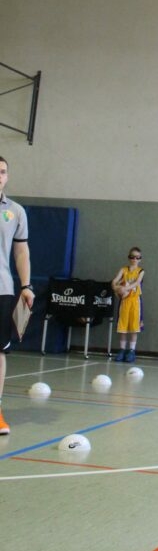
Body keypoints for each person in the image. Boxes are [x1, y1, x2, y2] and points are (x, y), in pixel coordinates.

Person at [0, 156, 34, 435]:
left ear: (7, 176)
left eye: (2, 172)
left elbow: (21, 251)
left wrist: (26, 285)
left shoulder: (15, 211)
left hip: (2, 288)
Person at [112, 247, 144, 362]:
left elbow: (137, 283)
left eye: (137, 257)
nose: (134, 259)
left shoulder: (140, 271)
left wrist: (125, 288)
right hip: (124, 302)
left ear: (140, 259)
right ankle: (122, 350)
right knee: (123, 327)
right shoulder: (123, 270)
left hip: (135, 301)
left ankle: (131, 350)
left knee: (134, 328)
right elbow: (114, 281)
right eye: (132, 257)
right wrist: (116, 288)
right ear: (129, 257)